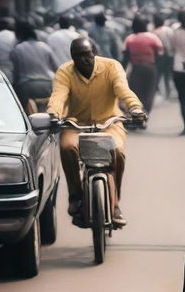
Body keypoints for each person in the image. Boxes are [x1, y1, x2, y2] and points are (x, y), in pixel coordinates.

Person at [47, 37, 145, 227]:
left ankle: (115, 204)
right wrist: (53, 114)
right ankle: (75, 196)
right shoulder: (65, 71)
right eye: (78, 56)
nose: (84, 60)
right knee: (67, 147)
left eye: (87, 55)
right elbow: (58, 96)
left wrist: (135, 109)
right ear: (72, 58)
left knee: (117, 152)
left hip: (110, 121)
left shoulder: (111, 67)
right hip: (76, 123)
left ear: (94, 53)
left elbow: (122, 89)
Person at [10, 20, 57, 112]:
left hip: (26, 86)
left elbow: (16, 73)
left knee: (25, 114)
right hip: (46, 85)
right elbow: (56, 68)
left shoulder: (18, 49)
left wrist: (14, 88)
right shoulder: (45, 47)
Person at [123, 14, 162, 113]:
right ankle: (146, 114)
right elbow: (160, 54)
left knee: (136, 94)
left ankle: (137, 115)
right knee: (149, 93)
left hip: (136, 69)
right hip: (150, 68)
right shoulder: (153, 37)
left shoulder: (129, 39)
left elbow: (126, 56)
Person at [153, 13, 175, 97]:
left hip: (158, 56)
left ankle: (156, 92)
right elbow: (173, 42)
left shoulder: (154, 32)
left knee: (158, 74)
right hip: (169, 55)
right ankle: (168, 91)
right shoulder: (168, 30)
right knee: (168, 74)